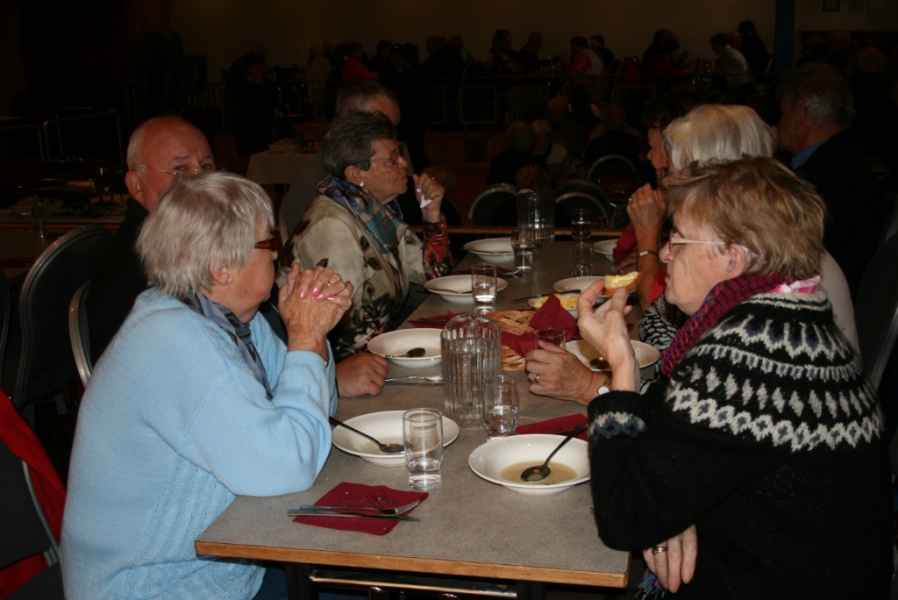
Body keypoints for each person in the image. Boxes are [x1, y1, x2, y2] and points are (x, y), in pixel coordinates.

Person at [579, 157, 890, 598]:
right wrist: (674, 511)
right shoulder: (793, 325)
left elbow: (623, 517)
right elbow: (687, 447)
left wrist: (621, 366)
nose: (664, 253)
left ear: (732, 257)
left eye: (677, 239)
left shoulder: (745, 357)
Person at [61, 172, 351, 599]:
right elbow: (288, 465)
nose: (279, 254)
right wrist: (305, 339)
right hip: (157, 586)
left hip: (226, 565)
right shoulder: (171, 341)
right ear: (221, 267)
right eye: (269, 242)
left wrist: (311, 334)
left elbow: (313, 416)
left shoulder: (230, 320)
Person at [285, 112, 451, 395]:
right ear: (356, 174)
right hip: (343, 377)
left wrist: (431, 215)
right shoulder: (333, 226)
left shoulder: (377, 214)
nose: (404, 164)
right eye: (392, 160)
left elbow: (434, 277)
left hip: (378, 358)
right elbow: (345, 332)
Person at [87, 116, 215, 363]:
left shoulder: (192, 235)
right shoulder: (141, 264)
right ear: (136, 185)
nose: (201, 180)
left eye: (206, 166)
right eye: (180, 170)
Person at [777, 62, 882, 293]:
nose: (779, 123)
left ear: (802, 113)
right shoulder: (855, 157)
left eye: (783, 113)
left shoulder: (818, 179)